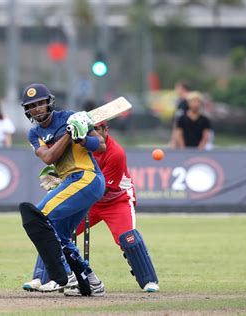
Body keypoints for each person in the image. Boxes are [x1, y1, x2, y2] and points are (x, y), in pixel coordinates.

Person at [23, 120, 160, 294]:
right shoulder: (80, 144)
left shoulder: (116, 153)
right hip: (89, 199)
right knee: (54, 230)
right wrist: (60, 180)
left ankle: (149, 280)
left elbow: (104, 187)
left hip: (116, 200)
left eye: (96, 130)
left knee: (128, 238)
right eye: (89, 129)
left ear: (106, 130)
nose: (91, 133)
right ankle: (40, 277)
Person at [19, 83, 106, 297]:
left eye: (40, 103)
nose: (37, 109)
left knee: (38, 217)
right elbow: (49, 157)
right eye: (32, 106)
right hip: (70, 181)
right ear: (27, 110)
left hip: (87, 177)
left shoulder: (71, 116)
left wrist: (83, 139)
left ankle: (65, 276)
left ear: (49, 102)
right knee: (60, 235)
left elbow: (102, 144)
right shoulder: (34, 134)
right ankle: (91, 281)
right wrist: (69, 134)